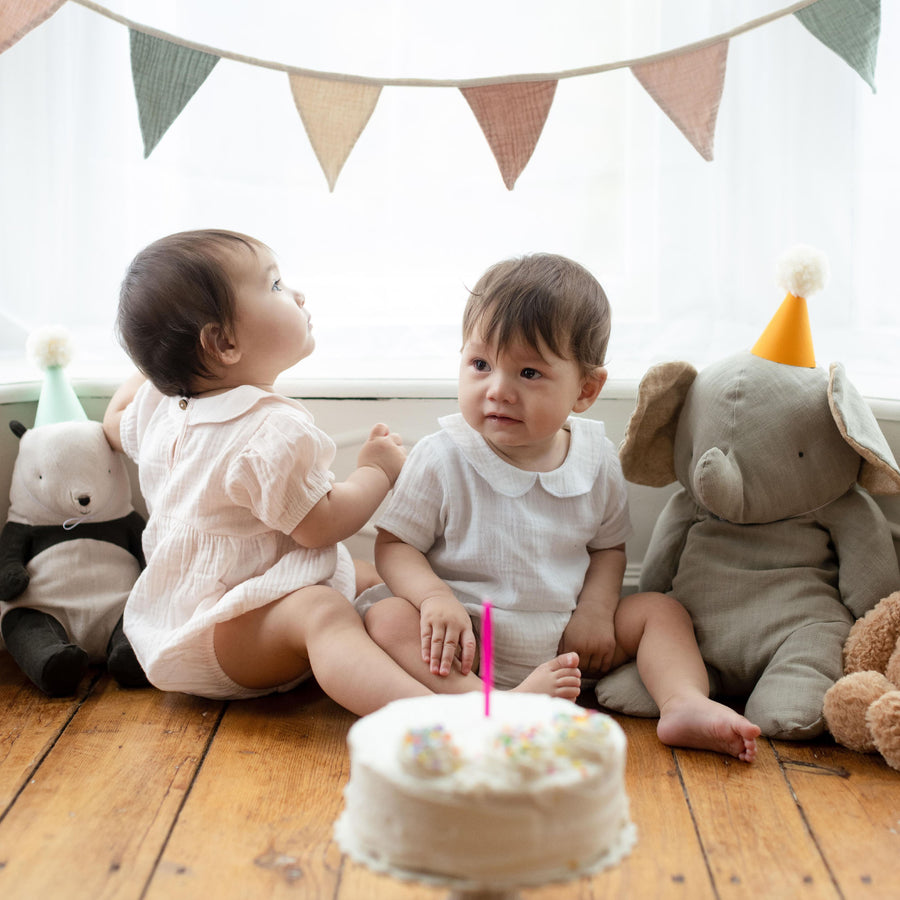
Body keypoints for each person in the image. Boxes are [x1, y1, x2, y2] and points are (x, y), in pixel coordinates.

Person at [358, 253, 761, 761]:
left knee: (660, 611)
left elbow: (608, 548)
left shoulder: (595, 458)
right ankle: (489, 706)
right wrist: (434, 598)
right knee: (387, 618)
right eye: (480, 365)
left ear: (586, 390)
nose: (498, 390)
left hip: (568, 639)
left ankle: (683, 702)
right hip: (466, 637)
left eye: (529, 372)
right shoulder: (444, 455)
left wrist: (595, 611)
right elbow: (395, 545)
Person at [102, 229, 434, 715]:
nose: (297, 294)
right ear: (223, 342)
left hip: (176, 617)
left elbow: (114, 425)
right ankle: (433, 715)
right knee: (322, 611)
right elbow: (320, 525)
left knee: (367, 579)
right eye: (276, 286)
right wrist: (376, 472)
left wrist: (157, 366)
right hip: (220, 633)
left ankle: (475, 688)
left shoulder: (162, 406)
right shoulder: (268, 430)